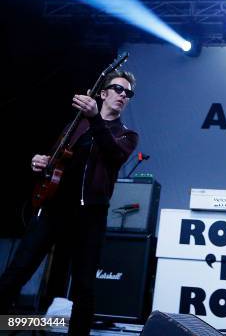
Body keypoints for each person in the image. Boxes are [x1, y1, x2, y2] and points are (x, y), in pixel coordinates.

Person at [0, 70, 138, 335]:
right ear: (103, 93)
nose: (123, 95)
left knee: (84, 285)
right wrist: (41, 163)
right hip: (54, 209)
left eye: (128, 93)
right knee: (19, 269)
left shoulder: (126, 134)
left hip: (90, 214)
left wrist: (95, 117)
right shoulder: (77, 124)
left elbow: (113, 154)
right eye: (118, 89)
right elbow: (55, 160)